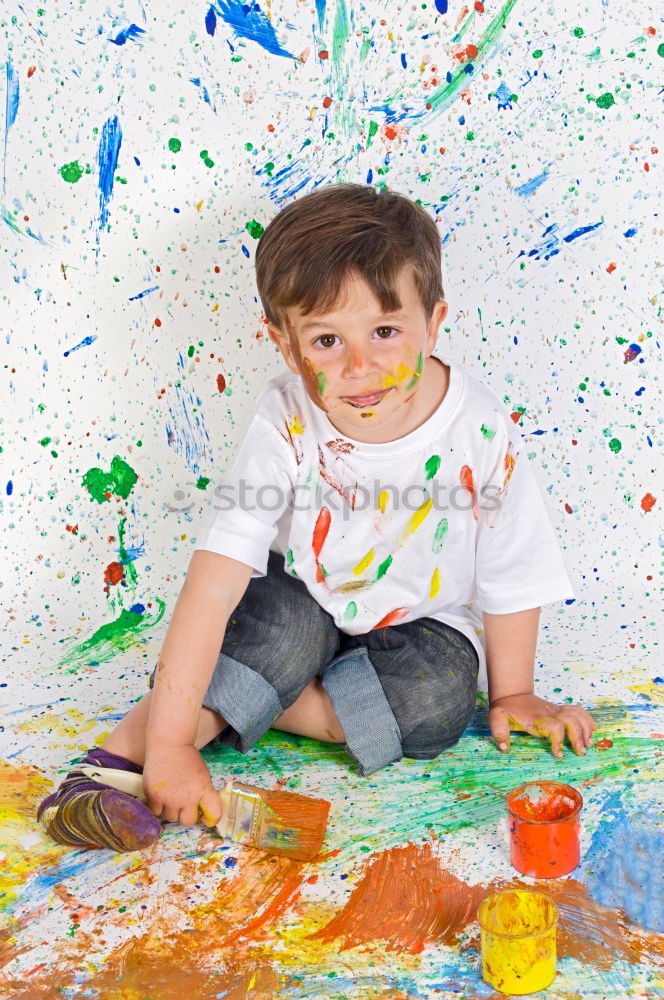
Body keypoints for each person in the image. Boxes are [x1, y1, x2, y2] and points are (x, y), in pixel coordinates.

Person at [38, 183, 596, 852]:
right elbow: (213, 586)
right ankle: (110, 766)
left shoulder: (477, 429)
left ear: (434, 321)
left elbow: (513, 567)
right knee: (280, 639)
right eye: (327, 340)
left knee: (441, 705)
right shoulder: (285, 424)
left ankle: (255, 696)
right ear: (285, 344)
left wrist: (514, 694)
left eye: (386, 331)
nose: (363, 367)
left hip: (416, 621)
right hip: (301, 596)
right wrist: (169, 748)